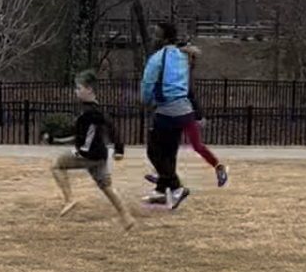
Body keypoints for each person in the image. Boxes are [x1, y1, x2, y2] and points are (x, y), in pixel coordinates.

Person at [51, 70, 135, 231]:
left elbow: (111, 127)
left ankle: (69, 199)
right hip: (100, 156)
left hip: (87, 155)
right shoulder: (91, 109)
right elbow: (79, 135)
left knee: (56, 165)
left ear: (89, 89)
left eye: (78, 88)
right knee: (106, 186)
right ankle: (126, 217)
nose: (75, 91)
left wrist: (119, 148)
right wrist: (119, 149)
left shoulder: (92, 112)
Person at [144, 41, 229, 188]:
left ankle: (218, 167)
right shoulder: (180, 70)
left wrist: (199, 115)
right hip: (179, 112)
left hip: (184, 112)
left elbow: (190, 94)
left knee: (194, 145)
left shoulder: (184, 71)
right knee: (168, 145)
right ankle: (163, 174)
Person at [141, 22, 193, 209]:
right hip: (183, 110)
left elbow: (147, 83)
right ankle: (161, 191)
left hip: (166, 110)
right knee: (168, 153)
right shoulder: (182, 57)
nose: (153, 37)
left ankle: (176, 188)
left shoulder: (157, 58)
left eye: (156, 34)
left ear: (163, 38)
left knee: (154, 151)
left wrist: (146, 100)